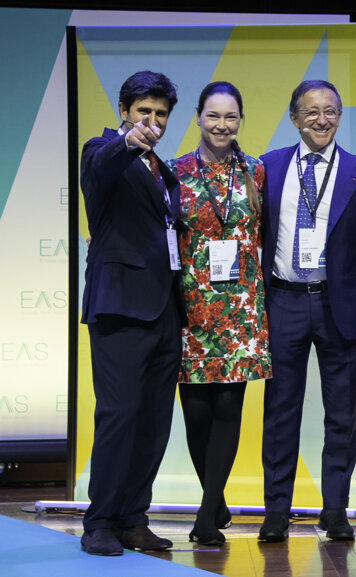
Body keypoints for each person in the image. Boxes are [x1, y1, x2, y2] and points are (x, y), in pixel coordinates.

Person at [258, 80, 356, 542]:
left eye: (330, 111)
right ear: (294, 119)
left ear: (339, 116)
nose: (322, 119)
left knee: (341, 415)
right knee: (280, 412)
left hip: (340, 306)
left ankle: (336, 510)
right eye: (311, 112)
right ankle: (275, 512)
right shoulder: (266, 168)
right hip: (283, 302)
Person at [79, 70, 182, 556]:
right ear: (124, 112)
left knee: (154, 420)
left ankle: (132, 518)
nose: (153, 121)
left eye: (161, 114)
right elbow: (101, 168)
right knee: (118, 415)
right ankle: (98, 520)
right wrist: (127, 142)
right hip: (119, 305)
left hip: (164, 310)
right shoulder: (102, 151)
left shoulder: (163, 170)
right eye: (144, 112)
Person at [166, 81, 271, 546]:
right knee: (196, 413)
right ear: (198, 117)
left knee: (229, 406)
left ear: (240, 121)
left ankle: (207, 515)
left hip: (243, 306)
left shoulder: (257, 171)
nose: (222, 125)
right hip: (191, 306)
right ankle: (217, 496)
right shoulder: (174, 172)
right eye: (213, 116)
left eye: (230, 117)